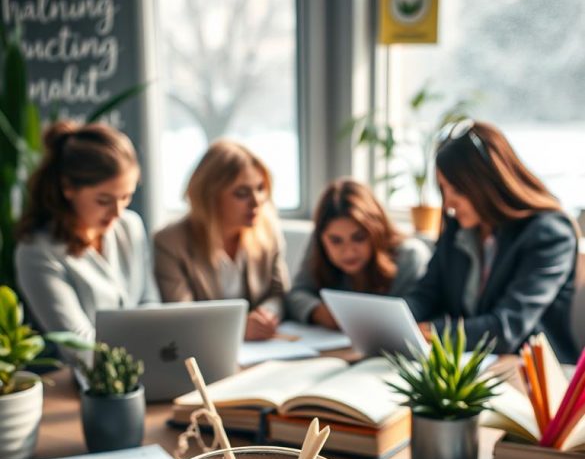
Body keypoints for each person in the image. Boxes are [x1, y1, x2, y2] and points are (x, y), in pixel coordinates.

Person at [405, 120, 579, 361]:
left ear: (487, 183)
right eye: (443, 191)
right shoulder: (458, 229)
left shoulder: (549, 234)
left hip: (529, 374)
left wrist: (433, 332)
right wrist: (395, 322)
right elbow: (426, 295)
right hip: (468, 364)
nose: (448, 204)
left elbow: (507, 327)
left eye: (456, 190)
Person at [15, 121, 159, 346]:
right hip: (80, 377)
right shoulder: (36, 252)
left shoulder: (130, 226)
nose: (117, 212)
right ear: (68, 188)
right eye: (104, 200)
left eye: (126, 197)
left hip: (144, 368)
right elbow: (78, 344)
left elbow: (150, 305)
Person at [154, 139, 289, 340]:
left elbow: (279, 294)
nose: (256, 201)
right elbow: (181, 314)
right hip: (204, 351)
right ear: (209, 196)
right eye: (241, 193)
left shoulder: (268, 231)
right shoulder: (170, 242)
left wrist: (266, 315)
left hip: (263, 349)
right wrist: (237, 327)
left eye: (260, 188)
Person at [286, 178, 431, 328]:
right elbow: (297, 294)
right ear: (322, 238)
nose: (348, 251)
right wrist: (319, 312)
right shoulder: (318, 246)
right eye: (336, 241)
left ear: (376, 231)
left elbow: (416, 313)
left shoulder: (409, 256)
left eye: (359, 238)